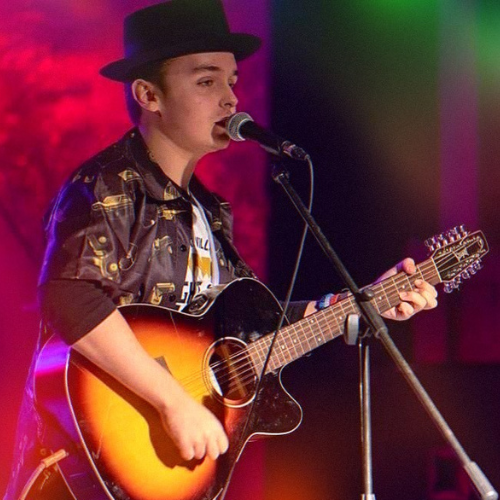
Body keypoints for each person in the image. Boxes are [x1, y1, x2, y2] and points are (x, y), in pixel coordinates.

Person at [4, 1, 438, 499]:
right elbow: (69, 297)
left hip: (163, 475)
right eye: (207, 82)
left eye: (232, 82)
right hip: (79, 473)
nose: (231, 99)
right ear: (149, 95)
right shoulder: (107, 183)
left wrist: (360, 303)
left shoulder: (209, 210)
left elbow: (252, 327)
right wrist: (173, 401)